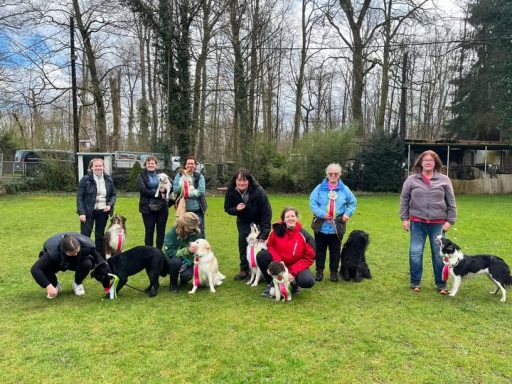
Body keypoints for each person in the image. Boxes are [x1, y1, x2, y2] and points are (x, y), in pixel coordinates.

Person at [400, 150, 457, 295]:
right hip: (417, 223)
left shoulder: (444, 180)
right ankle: (415, 283)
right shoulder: (411, 180)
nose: (428, 162)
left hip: (438, 224)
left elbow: (451, 202)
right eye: (425, 160)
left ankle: (441, 285)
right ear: (420, 162)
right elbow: (404, 200)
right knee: (415, 252)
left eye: (431, 160)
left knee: (439, 255)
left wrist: (450, 221)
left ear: (435, 163)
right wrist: (404, 219)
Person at [309, 163, 357, 282]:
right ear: (327, 174)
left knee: (335, 250)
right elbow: (312, 203)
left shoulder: (345, 189)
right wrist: (321, 214)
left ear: (340, 174)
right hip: (321, 225)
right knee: (320, 249)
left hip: (338, 225)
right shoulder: (319, 188)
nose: (333, 175)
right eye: (331, 173)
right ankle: (319, 271)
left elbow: (353, 203)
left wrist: (347, 214)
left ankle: (333, 272)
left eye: (336, 173)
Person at [224, 168, 272, 281]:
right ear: (235, 181)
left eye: (244, 180)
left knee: (260, 246)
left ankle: (262, 271)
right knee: (243, 245)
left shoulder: (258, 190)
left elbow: (267, 211)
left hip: (259, 221)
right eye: (239, 180)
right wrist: (236, 209)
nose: (242, 183)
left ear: (249, 181)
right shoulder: (231, 191)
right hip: (243, 222)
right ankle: (244, 270)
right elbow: (227, 208)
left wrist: (265, 231)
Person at [256, 207, 316, 298]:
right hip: (279, 264)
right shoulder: (277, 231)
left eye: (293, 216)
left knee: (308, 281)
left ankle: (295, 284)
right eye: (287, 217)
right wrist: (279, 262)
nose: (290, 218)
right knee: (261, 255)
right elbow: (270, 246)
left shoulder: (304, 235)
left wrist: (292, 272)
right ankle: (272, 283)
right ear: (283, 219)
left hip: (296, 265)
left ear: (297, 218)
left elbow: (309, 258)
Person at [31, 232, 104, 298]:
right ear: (64, 250)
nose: (75, 254)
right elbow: (35, 269)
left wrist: (105, 269)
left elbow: (99, 259)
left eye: (77, 251)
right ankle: (55, 285)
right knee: (45, 268)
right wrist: (48, 286)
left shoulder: (86, 245)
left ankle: (77, 284)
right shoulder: (53, 252)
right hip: (58, 261)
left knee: (87, 263)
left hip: (77, 261)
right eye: (73, 253)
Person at [77, 158, 116, 255]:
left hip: (102, 212)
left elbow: (113, 195)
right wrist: (81, 213)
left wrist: (110, 205)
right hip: (88, 212)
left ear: (103, 167)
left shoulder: (108, 179)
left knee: (100, 236)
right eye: (96, 166)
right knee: (85, 236)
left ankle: (98, 258)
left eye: (100, 166)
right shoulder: (85, 179)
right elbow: (80, 197)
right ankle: (84, 257)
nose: (98, 168)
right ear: (91, 167)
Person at [162, 212, 203, 293]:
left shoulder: (196, 233)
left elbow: (201, 249)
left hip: (189, 261)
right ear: (183, 226)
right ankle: (173, 284)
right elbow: (170, 253)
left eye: (195, 227)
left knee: (186, 275)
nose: (193, 229)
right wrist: (187, 250)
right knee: (175, 262)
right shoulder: (171, 234)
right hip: (171, 262)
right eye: (191, 227)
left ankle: (184, 280)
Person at [137, 155, 169, 249]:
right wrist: (158, 194)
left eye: (152, 163)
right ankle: (149, 253)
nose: (151, 165)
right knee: (149, 231)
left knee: (161, 231)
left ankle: (159, 252)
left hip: (162, 207)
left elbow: (169, 185)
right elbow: (142, 189)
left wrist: (166, 191)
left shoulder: (162, 174)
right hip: (147, 208)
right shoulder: (141, 175)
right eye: (149, 163)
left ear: (156, 165)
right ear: (145, 164)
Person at [172, 155, 207, 236]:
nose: (190, 165)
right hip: (183, 209)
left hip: (197, 209)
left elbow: (201, 191)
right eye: (188, 163)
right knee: (184, 231)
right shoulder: (179, 175)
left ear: (195, 165)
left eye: (192, 164)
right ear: (185, 165)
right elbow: (175, 189)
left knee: (200, 232)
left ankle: (201, 247)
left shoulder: (199, 176)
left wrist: (188, 194)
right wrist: (184, 188)